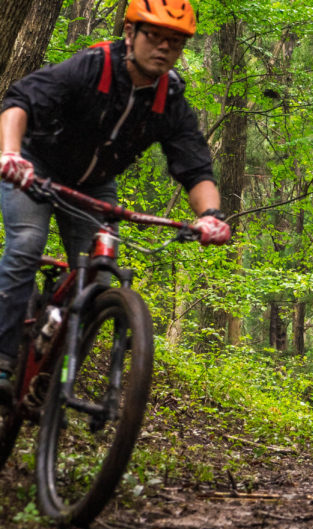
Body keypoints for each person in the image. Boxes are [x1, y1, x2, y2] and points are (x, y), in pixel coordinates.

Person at [0, 0, 231, 401]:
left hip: (94, 186)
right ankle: (3, 361)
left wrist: (211, 215)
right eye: (155, 36)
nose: (164, 47)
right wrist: (10, 154)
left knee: (99, 282)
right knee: (26, 244)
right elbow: (21, 100)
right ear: (129, 33)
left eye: (175, 42)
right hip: (35, 166)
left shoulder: (170, 98)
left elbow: (195, 167)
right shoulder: (93, 66)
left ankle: (50, 379)